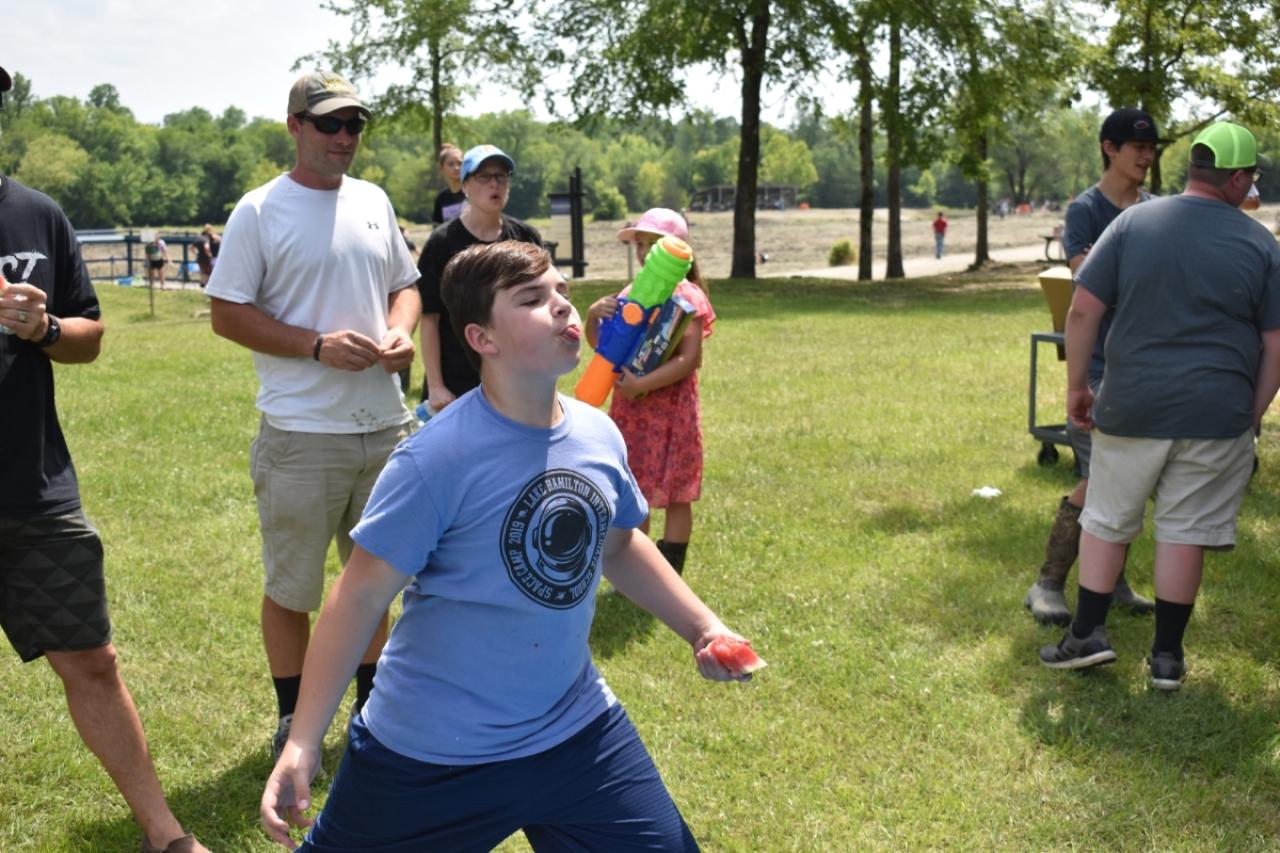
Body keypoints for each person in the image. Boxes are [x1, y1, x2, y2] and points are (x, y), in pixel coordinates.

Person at [260, 239, 752, 851]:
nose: (563, 309)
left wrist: (703, 627)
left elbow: (620, 547)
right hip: (431, 754)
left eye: (562, 292)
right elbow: (357, 597)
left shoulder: (598, 434)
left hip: (575, 734)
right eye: (532, 299)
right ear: (482, 338)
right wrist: (305, 741)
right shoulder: (436, 458)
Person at [0, 63, 209, 853]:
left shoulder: (36, 215)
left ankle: (164, 833)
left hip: (33, 485)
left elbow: (88, 336)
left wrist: (43, 328)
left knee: (91, 658)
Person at [206, 70, 420, 760]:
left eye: (354, 124)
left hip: (383, 427)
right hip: (301, 433)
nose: (343, 137)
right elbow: (226, 313)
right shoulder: (259, 211)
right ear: (294, 126)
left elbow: (405, 287)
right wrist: (315, 346)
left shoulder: (374, 201)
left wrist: (399, 330)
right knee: (291, 588)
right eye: (328, 123)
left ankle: (372, 714)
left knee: (375, 579)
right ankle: (294, 721)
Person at [1040, 122, 1280, 690]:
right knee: (1184, 532)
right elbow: (1276, 344)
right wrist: (1250, 413)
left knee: (1106, 518)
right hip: (1216, 415)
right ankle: (1167, 659)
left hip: (1131, 406)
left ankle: (1087, 636)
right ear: (1239, 177)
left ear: (1196, 168)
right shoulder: (1261, 244)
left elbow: (1082, 311)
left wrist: (1077, 387)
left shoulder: (1132, 222)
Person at [1024, 107, 1161, 626]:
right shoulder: (1084, 211)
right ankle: (1047, 584)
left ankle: (1112, 580)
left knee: (1129, 479)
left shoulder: (1154, 209)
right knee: (1100, 476)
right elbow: (1091, 281)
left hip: (1144, 366)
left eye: (1150, 149)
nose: (1146, 156)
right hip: (1101, 366)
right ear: (1109, 147)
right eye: (1137, 147)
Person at [586, 208, 715, 575]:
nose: (643, 252)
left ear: (675, 250)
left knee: (677, 493)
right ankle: (637, 571)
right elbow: (604, 347)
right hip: (633, 412)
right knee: (633, 488)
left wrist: (643, 383)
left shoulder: (687, 295)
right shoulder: (633, 293)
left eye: (651, 244)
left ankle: (669, 573)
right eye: (640, 244)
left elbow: (689, 359)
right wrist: (594, 315)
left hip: (671, 409)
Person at [418, 143, 541, 409]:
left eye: (501, 176)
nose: (494, 184)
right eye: (483, 176)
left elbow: (541, 309)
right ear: (465, 186)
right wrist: (436, 386)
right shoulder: (441, 243)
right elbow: (429, 319)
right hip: (456, 383)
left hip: (515, 379)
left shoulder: (526, 238)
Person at [431, 143, 466, 225]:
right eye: (451, 164)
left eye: (460, 163)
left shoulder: (473, 194)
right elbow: (437, 228)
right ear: (442, 168)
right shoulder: (441, 199)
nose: (456, 168)